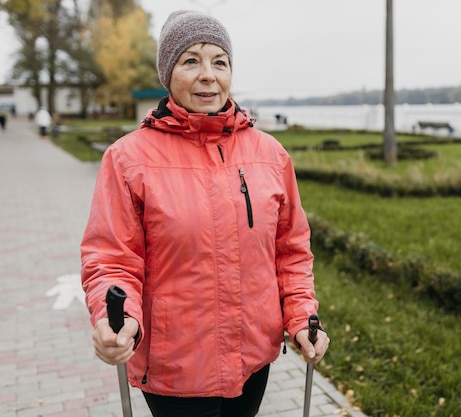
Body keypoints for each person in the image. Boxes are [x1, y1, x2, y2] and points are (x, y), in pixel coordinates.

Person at [80, 10, 330, 417]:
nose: (208, 75)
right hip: (174, 365)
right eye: (191, 60)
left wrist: (302, 316)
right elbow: (112, 258)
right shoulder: (128, 159)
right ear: (168, 72)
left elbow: (291, 251)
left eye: (220, 61)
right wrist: (119, 318)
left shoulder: (270, 154)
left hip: (252, 359)